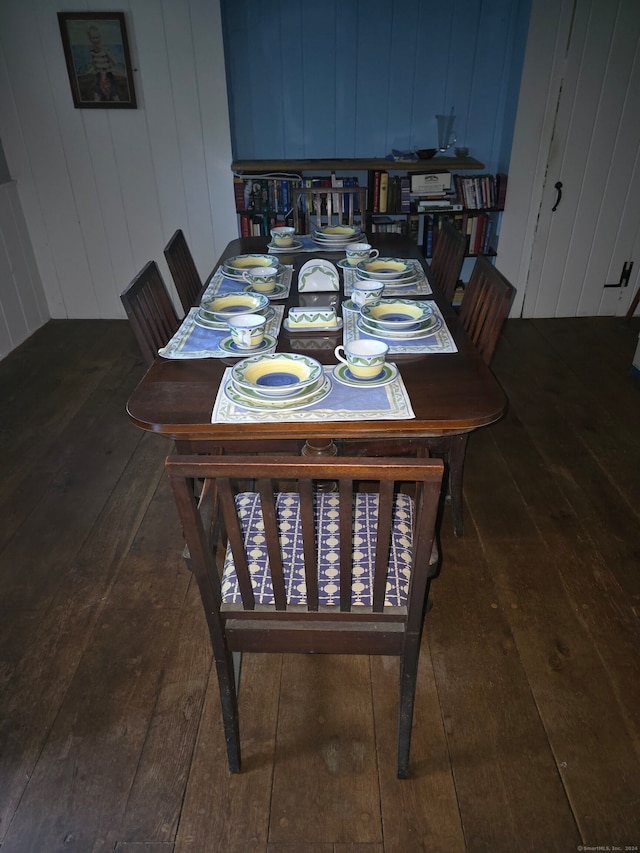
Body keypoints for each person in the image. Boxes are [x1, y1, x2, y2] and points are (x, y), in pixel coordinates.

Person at [87, 25, 120, 102]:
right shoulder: (92, 52)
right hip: (99, 75)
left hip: (108, 74)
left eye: (97, 37)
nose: (96, 40)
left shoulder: (105, 49)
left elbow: (115, 62)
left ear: (100, 37)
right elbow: (95, 64)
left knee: (113, 92)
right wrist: (89, 71)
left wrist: (107, 54)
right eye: (93, 38)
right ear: (90, 39)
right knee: (97, 93)